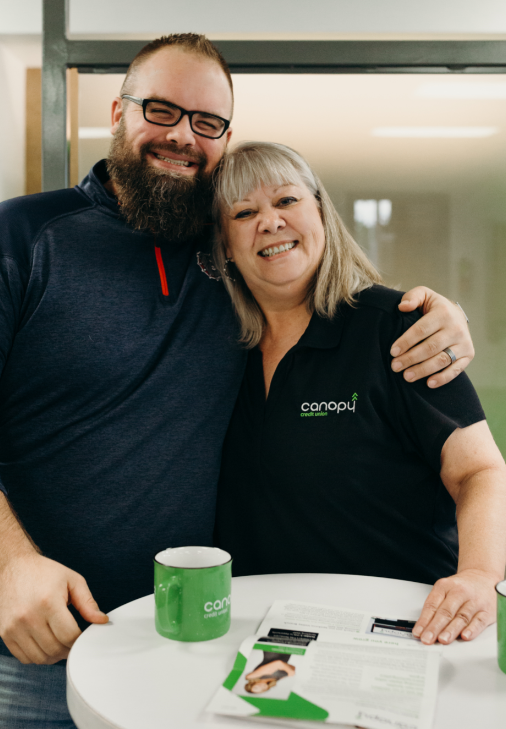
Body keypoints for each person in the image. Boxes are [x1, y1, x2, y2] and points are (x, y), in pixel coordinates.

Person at [0, 34, 474, 728]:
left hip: (183, 642)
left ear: (224, 137)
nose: (181, 136)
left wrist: (431, 312)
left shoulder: (231, 254)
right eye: (160, 109)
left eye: (207, 122)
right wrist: (13, 563)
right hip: (18, 651)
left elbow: (315, 275)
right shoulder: (20, 237)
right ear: (117, 110)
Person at [212, 141, 506, 648]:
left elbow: (479, 470)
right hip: (266, 633)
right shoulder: (212, 348)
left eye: (287, 201)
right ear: (224, 243)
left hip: (405, 626)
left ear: (321, 214)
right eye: (244, 212)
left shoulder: (398, 329)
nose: (270, 221)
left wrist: (480, 575)